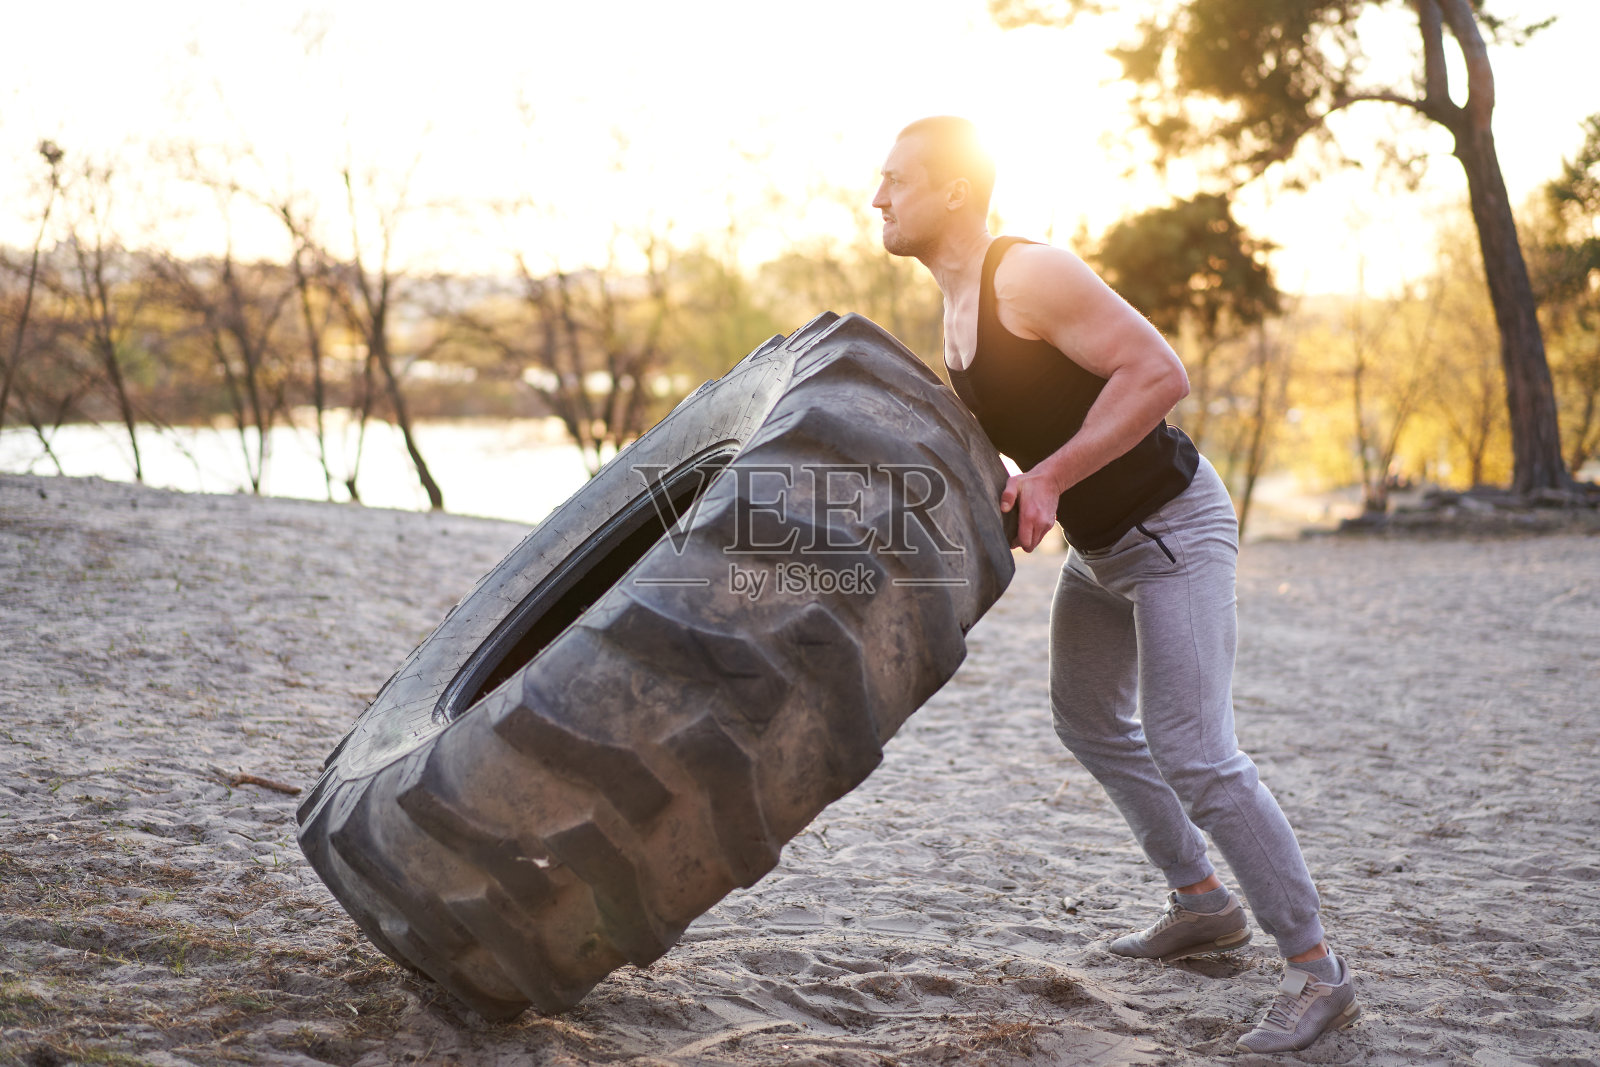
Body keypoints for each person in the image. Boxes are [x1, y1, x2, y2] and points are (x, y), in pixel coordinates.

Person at [871, 115, 1359, 1054]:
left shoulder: (1027, 274)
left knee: (1197, 754)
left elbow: (1159, 373)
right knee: (1088, 717)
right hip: (1101, 549)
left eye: (896, 179)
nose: (877, 197)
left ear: (955, 191)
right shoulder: (959, 303)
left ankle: (1318, 970)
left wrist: (1050, 476)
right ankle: (1202, 902)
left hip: (1172, 526)